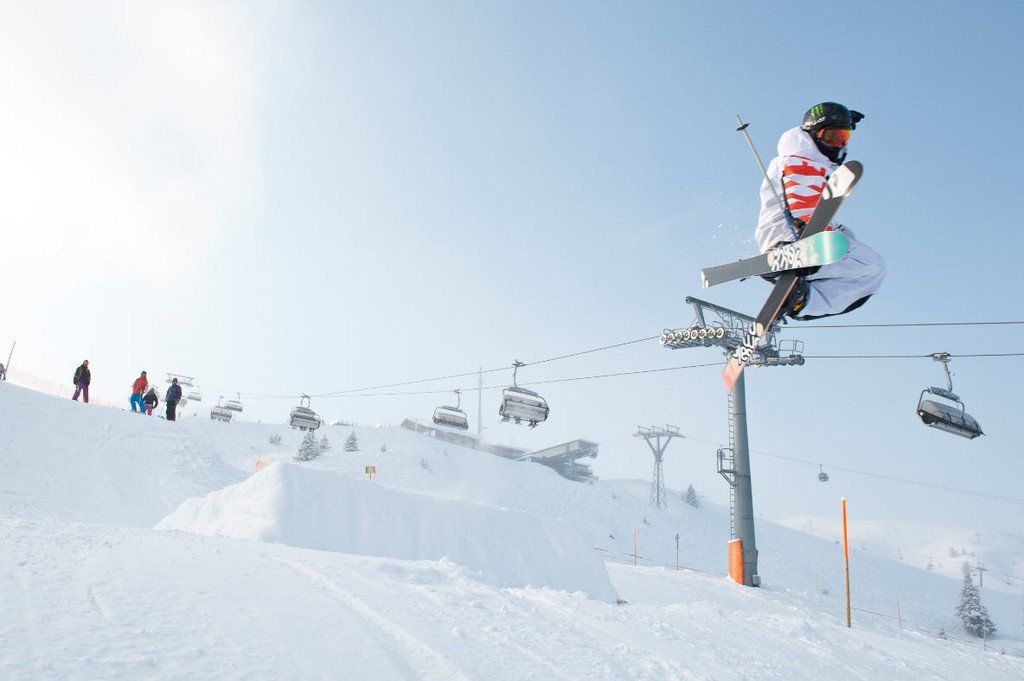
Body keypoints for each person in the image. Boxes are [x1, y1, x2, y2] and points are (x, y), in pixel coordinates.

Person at [755, 102, 885, 319]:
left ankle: (801, 298)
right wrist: (808, 234)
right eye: (831, 138)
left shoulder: (806, 159)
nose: (838, 146)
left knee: (862, 259)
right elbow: (801, 195)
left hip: (788, 239)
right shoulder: (800, 159)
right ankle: (804, 293)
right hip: (793, 239)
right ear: (813, 135)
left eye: (843, 138)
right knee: (871, 266)